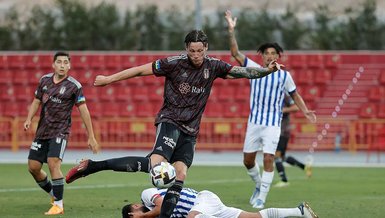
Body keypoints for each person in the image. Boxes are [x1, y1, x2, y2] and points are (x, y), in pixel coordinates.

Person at [65, 30, 283, 218]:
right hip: (170, 121)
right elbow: (141, 69)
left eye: (200, 50)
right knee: (156, 165)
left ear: (206, 48)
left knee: (180, 176)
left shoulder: (214, 66)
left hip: (191, 130)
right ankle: (91, 166)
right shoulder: (173, 63)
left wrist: (267, 70)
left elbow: (243, 72)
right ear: (186, 48)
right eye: (192, 50)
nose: (196, 55)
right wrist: (110, 79)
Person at [225, 10, 317, 209]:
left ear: (278, 56)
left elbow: (295, 95)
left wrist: (306, 111)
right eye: (266, 53)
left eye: (273, 53)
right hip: (254, 123)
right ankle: (258, 185)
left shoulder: (285, 76)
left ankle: (262, 197)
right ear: (262, 56)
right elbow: (235, 53)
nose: (269, 56)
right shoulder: (253, 67)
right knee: (248, 161)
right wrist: (231, 31)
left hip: (273, 124)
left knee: (269, 157)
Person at [24, 51, 99, 215]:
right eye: (59, 62)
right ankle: (54, 194)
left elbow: (84, 111)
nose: (62, 65)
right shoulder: (44, 80)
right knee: (33, 167)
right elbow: (36, 100)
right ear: (53, 64)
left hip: (60, 131)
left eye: (66, 62)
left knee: (53, 163)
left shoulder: (74, 86)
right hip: (42, 131)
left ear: (70, 66)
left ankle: (58, 205)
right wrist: (29, 119)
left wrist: (91, 136)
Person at [122, 187, 319, 218]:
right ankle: (299, 211)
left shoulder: (147, 194)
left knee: (192, 217)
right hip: (207, 209)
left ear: (135, 207)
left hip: (202, 200)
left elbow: (163, 204)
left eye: (136, 214)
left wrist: (144, 215)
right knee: (253, 217)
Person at [274, 95, 312, 188]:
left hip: (283, 131)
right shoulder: (272, 95)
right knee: (282, 157)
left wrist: (282, 110)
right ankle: (304, 167)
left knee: (276, 155)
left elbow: (295, 107)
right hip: (275, 131)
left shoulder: (284, 96)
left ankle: (284, 180)